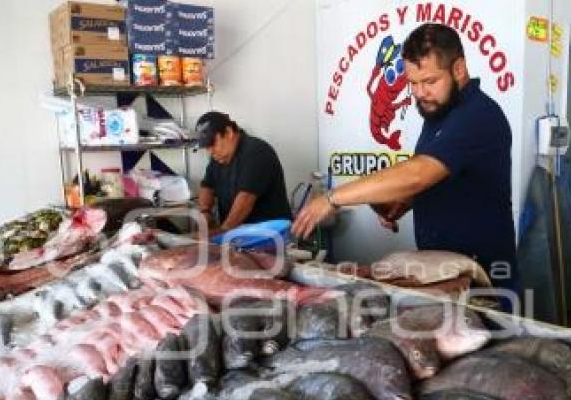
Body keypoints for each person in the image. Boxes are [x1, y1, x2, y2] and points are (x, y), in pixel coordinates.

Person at [292, 23, 520, 306]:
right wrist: (407, 202)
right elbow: (444, 175)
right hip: (443, 276)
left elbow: (419, 173)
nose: (420, 93)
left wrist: (332, 198)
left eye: (430, 81)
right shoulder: (439, 114)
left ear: (458, 69)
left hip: (484, 281)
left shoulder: (478, 116)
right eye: (413, 83)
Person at [194, 111, 292, 236]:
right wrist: (205, 212)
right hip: (239, 234)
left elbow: (245, 200)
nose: (210, 151)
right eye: (206, 147)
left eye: (213, 144)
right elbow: (207, 186)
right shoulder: (218, 157)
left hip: (268, 235)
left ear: (229, 132)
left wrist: (222, 233)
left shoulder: (256, 152)